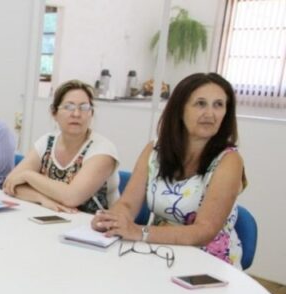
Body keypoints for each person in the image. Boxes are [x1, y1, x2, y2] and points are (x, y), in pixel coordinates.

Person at [92, 72, 246, 267]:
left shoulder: (229, 160)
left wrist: (138, 232)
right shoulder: (155, 150)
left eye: (218, 105)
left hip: (208, 263)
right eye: (200, 103)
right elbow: (128, 204)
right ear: (180, 109)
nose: (210, 114)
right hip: (159, 251)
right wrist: (112, 221)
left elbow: (204, 231)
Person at [2, 80, 119, 213]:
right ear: (54, 113)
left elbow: (71, 197)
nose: (76, 114)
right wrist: (41, 198)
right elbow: (10, 184)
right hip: (54, 218)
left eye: (84, 107)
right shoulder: (47, 142)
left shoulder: (103, 150)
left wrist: (28, 176)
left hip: (97, 228)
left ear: (91, 113)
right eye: (69, 107)